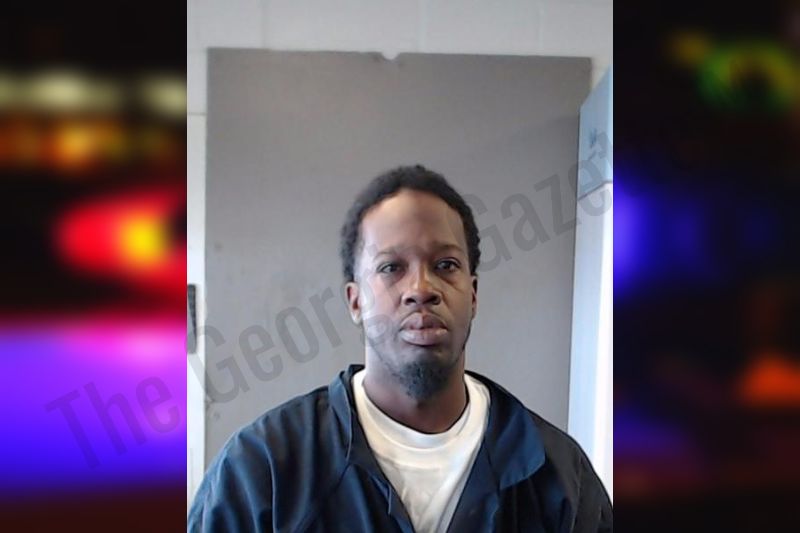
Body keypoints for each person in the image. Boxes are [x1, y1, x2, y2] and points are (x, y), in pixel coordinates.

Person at [188, 165, 612, 532]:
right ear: (355, 301)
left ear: (473, 294)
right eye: (391, 268)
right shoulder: (261, 471)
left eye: (446, 265)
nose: (421, 289)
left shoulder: (560, 476)